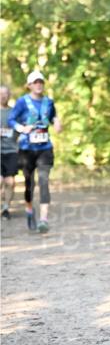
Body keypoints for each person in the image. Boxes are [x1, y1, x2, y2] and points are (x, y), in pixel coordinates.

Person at [11, 70, 62, 232]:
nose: (39, 85)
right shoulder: (22, 102)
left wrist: (57, 122)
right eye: (35, 82)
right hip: (27, 149)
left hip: (45, 148)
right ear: (29, 85)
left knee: (44, 181)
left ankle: (43, 220)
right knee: (29, 185)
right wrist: (21, 128)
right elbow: (12, 119)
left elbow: (53, 117)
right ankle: (29, 211)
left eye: (41, 82)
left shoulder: (49, 102)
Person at [1, 84, 19, 219]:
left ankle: (6, 208)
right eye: (0, 94)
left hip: (12, 151)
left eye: (5, 93)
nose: (3, 96)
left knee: (10, 182)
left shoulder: (14, 113)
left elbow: (21, 130)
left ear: (9, 95)